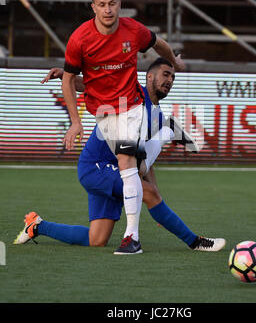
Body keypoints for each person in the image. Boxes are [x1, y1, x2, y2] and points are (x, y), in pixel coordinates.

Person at [14, 58, 226, 254]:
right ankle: (195, 241)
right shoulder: (132, 93)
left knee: (96, 239)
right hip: (96, 167)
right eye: (165, 74)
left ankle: (37, 226)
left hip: (119, 169)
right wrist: (65, 76)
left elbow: (145, 161)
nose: (169, 80)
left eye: (172, 77)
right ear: (150, 76)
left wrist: (157, 198)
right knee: (147, 191)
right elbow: (92, 87)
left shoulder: (156, 115)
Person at [61, 0, 186, 254]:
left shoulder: (134, 31)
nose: (108, 10)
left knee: (129, 162)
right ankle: (163, 134)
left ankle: (132, 239)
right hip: (104, 116)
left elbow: (160, 44)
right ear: (93, 6)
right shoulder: (79, 39)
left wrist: (173, 62)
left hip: (129, 109)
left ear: (120, 4)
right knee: (98, 237)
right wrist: (75, 122)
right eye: (102, 4)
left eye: (113, 3)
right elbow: (69, 81)